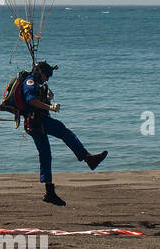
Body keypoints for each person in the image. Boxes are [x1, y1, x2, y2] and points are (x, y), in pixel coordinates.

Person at [22, 61, 107, 206]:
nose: (47, 78)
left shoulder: (36, 83)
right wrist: (50, 107)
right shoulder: (30, 81)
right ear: (39, 71)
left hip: (35, 123)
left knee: (46, 156)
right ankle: (87, 157)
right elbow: (31, 100)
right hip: (36, 121)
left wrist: (47, 97)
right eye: (47, 74)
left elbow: (36, 99)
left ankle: (49, 192)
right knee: (63, 131)